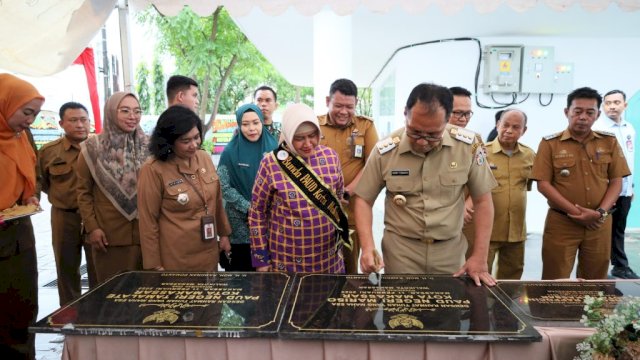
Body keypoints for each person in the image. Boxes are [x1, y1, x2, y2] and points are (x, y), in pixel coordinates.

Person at [354, 83, 497, 287]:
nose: (422, 142)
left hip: (449, 251)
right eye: (415, 132)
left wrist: (480, 256)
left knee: (447, 313)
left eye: (432, 135)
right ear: (405, 114)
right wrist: (367, 247)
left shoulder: (469, 146)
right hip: (401, 252)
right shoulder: (385, 150)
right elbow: (363, 200)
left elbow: (483, 201)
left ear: (447, 120)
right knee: (400, 314)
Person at [531, 87, 630, 280]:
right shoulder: (550, 143)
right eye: (577, 111)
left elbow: (617, 181)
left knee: (595, 281)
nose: (583, 117)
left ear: (597, 115)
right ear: (567, 112)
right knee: (555, 280)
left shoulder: (609, 142)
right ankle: (554, 312)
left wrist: (599, 213)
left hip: (599, 224)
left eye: (590, 112)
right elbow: (543, 184)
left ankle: (589, 312)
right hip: (562, 222)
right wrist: (578, 213)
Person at [249, 103, 348, 273]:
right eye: (300, 137)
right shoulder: (271, 163)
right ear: (288, 135)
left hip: (329, 259)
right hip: (287, 260)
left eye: (312, 135)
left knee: (329, 298)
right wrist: (261, 259)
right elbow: (257, 212)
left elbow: (338, 197)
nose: (308, 144)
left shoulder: (331, 157)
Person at [137, 105, 232, 271]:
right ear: (168, 141)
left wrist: (224, 234)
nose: (194, 145)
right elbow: (148, 222)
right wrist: (153, 265)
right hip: (176, 257)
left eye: (197, 137)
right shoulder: (153, 169)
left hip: (208, 251)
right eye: (185, 141)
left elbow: (216, 200)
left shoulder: (204, 158)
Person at [76, 92, 148, 284]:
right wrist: (93, 228)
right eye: (125, 111)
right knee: (114, 294)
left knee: (147, 296)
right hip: (109, 236)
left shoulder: (149, 145)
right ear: (110, 112)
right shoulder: (91, 148)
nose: (132, 116)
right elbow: (83, 193)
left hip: (146, 235)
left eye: (137, 111)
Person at [0, 73, 44, 359]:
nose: (30, 121)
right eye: (27, 112)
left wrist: (31, 194)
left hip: (18, 239)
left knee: (21, 310)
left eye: (35, 115)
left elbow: (34, 173)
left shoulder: (22, 136)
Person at [318, 78, 379, 274]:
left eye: (349, 106)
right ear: (328, 100)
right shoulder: (313, 125)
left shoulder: (366, 127)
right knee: (319, 265)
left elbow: (373, 163)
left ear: (356, 104)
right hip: (318, 211)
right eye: (338, 105)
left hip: (352, 212)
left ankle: (349, 304)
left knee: (350, 266)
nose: (344, 112)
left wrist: (349, 190)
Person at [39, 102, 97, 305]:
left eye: (84, 120)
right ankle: (70, 317)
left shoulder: (99, 148)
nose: (80, 125)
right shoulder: (49, 152)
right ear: (62, 123)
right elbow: (43, 183)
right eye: (73, 120)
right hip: (64, 216)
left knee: (97, 268)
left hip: (95, 218)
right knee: (66, 269)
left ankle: (97, 317)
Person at [218, 104, 278, 271]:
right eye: (245, 124)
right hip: (241, 227)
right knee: (242, 278)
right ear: (239, 125)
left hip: (270, 224)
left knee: (269, 280)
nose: (251, 128)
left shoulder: (275, 148)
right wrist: (250, 208)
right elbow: (223, 186)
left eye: (255, 122)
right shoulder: (230, 151)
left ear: (262, 123)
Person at [592, 90, 638, 279]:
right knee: (601, 230)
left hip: (625, 190)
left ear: (624, 105)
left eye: (616, 102)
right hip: (606, 190)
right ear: (603, 106)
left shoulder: (629, 128)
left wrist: (630, 187)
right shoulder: (598, 129)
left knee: (618, 229)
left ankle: (619, 266)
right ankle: (598, 269)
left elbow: (629, 159)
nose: (612, 106)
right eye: (608, 103)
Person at [485, 109, 535, 279]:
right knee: (480, 275)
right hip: (487, 229)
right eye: (505, 125)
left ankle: (503, 306)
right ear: (497, 125)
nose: (509, 130)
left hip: (516, 229)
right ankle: (480, 306)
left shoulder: (529, 155)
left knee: (512, 275)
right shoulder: (482, 153)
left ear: (524, 130)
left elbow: (527, 186)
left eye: (516, 127)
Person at [448, 86, 483, 259]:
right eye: (458, 113)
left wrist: (467, 206)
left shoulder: (475, 140)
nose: (463, 119)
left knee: (465, 265)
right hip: (437, 216)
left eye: (468, 113)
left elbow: (482, 182)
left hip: (466, 216)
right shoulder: (427, 139)